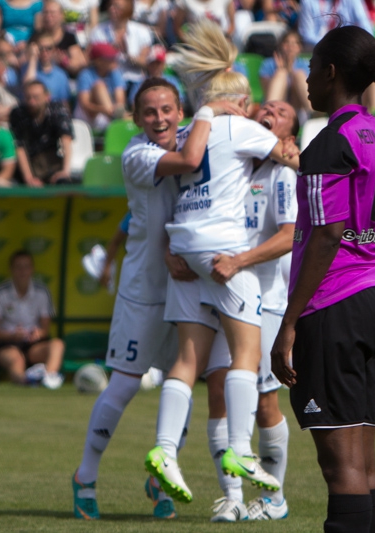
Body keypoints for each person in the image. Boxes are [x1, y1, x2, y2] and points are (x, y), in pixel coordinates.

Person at [71, 77, 246, 520]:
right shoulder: (137, 155)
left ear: (179, 111)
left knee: (179, 383)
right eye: (149, 112)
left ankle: (160, 476)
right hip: (144, 291)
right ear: (136, 119)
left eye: (167, 109)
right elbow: (190, 160)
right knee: (125, 384)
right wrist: (217, 106)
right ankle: (85, 476)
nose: (159, 118)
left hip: (187, 284)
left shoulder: (193, 132)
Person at [144, 19, 298, 509]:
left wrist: (171, 248)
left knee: (187, 362)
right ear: (240, 101)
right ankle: (240, 453)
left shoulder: (191, 130)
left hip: (187, 248)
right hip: (222, 254)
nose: (262, 111)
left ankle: (166, 451)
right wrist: (298, 152)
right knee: (245, 361)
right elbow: (292, 158)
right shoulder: (240, 128)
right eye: (257, 103)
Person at [268, 25, 375, 533]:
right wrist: (363, 275)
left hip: (334, 307)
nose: (304, 81)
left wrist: (290, 322)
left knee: (340, 466)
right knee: (362, 463)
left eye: (309, 70)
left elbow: (327, 236)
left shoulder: (329, 144)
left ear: (330, 73)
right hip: (374, 298)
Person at [205, 100, 299, 522]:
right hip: (223, 289)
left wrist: (239, 261)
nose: (269, 112)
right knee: (218, 392)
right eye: (265, 107)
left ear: (288, 134)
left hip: (265, 297)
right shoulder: (233, 164)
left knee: (264, 401)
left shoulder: (281, 173)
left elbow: (289, 236)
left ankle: (274, 498)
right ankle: (233, 496)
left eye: (280, 112)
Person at [0, 250, 65, 389]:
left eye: (26, 267)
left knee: (57, 344)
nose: (23, 271)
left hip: (33, 345)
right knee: (16, 358)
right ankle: (24, 382)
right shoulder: (1, 292)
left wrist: (37, 333)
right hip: (6, 344)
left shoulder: (42, 291)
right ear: (11, 270)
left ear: (32, 269)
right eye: (18, 267)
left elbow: (45, 330)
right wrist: (12, 335)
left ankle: (49, 378)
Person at [9, 80, 74, 185]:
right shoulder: (18, 114)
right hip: (28, 165)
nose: (32, 102)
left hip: (52, 163)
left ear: (46, 96)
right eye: (28, 97)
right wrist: (29, 178)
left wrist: (65, 171)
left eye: (36, 97)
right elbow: (19, 147)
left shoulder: (57, 110)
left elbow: (66, 139)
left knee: (64, 183)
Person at [89, 0, 154, 104]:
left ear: (127, 9)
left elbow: (145, 63)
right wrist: (110, 52)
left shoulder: (142, 31)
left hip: (136, 78)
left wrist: (127, 54)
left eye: (117, 7)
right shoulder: (98, 31)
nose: (111, 9)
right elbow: (94, 61)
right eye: (110, 5)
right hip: (109, 81)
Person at [260, 31, 312, 125]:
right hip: (277, 105)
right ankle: (269, 117)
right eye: (286, 42)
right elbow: (265, 89)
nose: (290, 47)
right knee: (281, 74)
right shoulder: (268, 64)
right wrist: (281, 70)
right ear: (281, 45)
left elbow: (309, 89)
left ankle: (313, 115)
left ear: (300, 48)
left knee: (299, 75)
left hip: (299, 109)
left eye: (294, 43)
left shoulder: (305, 65)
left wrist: (291, 71)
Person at [74, 43, 127, 131]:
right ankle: (116, 118)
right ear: (98, 61)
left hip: (108, 115)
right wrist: (104, 110)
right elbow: (85, 104)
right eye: (109, 58)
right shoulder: (85, 74)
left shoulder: (115, 73)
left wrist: (114, 109)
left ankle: (117, 118)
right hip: (87, 117)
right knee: (99, 85)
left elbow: (120, 100)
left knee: (120, 110)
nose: (114, 60)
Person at [36, 0, 86, 75]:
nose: (48, 16)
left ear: (61, 15)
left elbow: (80, 63)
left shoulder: (69, 38)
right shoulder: (36, 36)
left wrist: (64, 61)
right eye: (46, 12)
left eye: (52, 13)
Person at [298, 0, 373, 51]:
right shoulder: (308, 2)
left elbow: (367, 29)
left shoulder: (353, 1)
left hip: (348, 49)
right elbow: (306, 35)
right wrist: (333, 44)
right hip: (321, 49)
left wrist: (349, 44)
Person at [22, 31, 72, 106]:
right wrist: (33, 58)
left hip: (53, 113)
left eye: (49, 48)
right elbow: (27, 88)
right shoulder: (28, 68)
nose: (45, 52)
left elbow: (65, 104)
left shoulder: (61, 75)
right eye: (41, 48)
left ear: (54, 49)